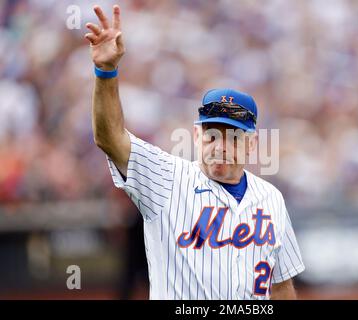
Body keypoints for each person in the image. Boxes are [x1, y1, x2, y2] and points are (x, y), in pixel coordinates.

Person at [85, 4, 304, 300]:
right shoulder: (166, 179)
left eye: (233, 137)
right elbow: (109, 137)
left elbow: (280, 286)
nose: (220, 145)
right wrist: (106, 71)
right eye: (212, 134)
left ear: (252, 144)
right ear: (197, 135)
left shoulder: (272, 199)